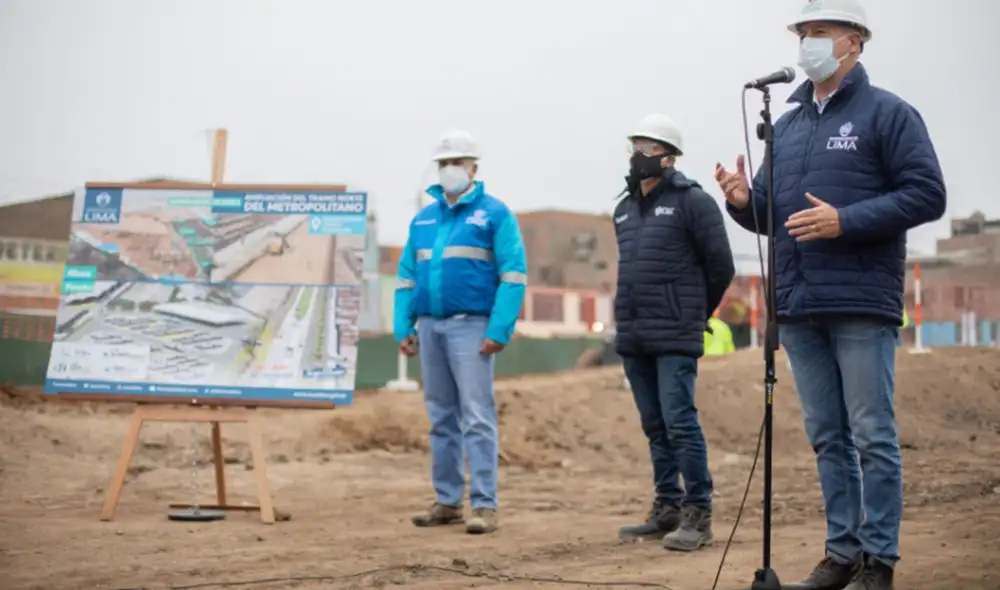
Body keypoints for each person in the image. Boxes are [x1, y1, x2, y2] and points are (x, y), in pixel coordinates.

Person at [715, 1, 946, 588]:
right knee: (827, 437)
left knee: (871, 432)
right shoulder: (787, 128)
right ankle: (841, 553)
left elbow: (926, 194)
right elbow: (774, 216)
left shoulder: (888, 114)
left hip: (861, 302)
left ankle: (879, 560)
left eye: (821, 32)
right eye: (804, 33)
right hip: (799, 305)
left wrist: (847, 220)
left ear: (855, 43)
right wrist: (743, 201)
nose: (809, 43)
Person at [393, 129, 528, 535]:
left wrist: (499, 328)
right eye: (444, 163)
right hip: (431, 326)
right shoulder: (424, 219)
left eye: (458, 162)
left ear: (474, 167)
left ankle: (484, 505)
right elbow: (405, 277)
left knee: (477, 416)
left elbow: (514, 275)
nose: (450, 169)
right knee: (441, 417)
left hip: (472, 327)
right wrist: (404, 325)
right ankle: (448, 501)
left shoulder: (495, 214)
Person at [614, 114, 736, 551]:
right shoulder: (623, 208)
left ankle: (698, 513)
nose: (637, 155)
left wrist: (693, 312)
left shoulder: (693, 202)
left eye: (646, 148)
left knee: (680, 421)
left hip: (675, 334)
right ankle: (667, 505)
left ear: (667, 158)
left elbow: (721, 266)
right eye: (634, 146)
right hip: (634, 333)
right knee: (654, 425)